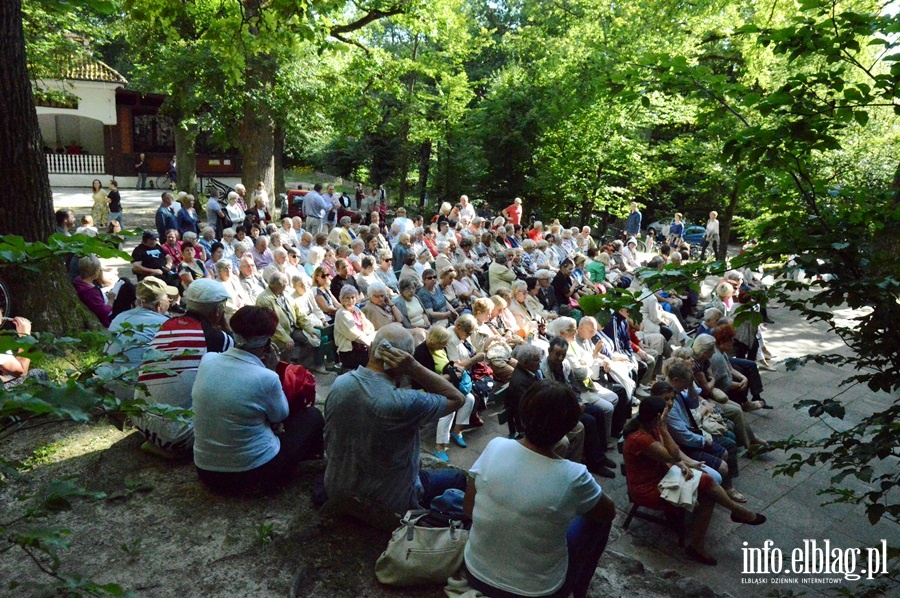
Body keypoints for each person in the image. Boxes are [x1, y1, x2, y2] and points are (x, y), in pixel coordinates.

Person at [463, 381, 616, 598]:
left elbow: (468, 510)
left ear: (523, 418)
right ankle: (579, 590)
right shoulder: (574, 475)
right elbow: (609, 512)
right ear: (571, 426)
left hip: (475, 571)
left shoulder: (496, 446)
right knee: (599, 518)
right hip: (535, 591)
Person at [323, 324, 467, 526]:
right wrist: (414, 368)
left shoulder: (340, 383)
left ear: (372, 346)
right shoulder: (403, 402)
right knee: (459, 479)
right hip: (388, 504)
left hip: (338, 488)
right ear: (405, 361)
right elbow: (457, 398)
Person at [623, 393, 767, 566]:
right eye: (665, 414)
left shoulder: (649, 427)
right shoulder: (641, 438)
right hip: (648, 489)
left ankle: (701, 543)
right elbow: (672, 454)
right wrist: (663, 429)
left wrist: (683, 465)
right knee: (706, 483)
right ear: (657, 418)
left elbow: (672, 453)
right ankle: (737, 512)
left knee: (707, 490)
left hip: (662, 475)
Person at [193, 306, 324, 494]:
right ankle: (313, 459)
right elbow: (280, 415)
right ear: (268, 343)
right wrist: (272, 369)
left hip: (206, 471)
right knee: (312, 415)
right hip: (254, 474)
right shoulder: (266, 377)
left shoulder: (208, 360)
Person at [134, 279, 234, 456]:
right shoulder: (217, 338)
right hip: (179, 434)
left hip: (140, 421)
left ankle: (157, 443)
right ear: (218, 309)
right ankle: (176, 449)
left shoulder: (167, 325)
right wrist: (227, 331)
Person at [412, 326, 475, 462]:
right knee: (449, 408)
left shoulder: (440, 348)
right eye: (444, 342)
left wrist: (454, 371)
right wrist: (450, 376)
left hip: (444, 383)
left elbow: (447, 364)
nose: (446, 345)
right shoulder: (421, 353)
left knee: (469, 398)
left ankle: (457, 431)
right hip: (428, 387)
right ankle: (439, 446)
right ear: (436, 341)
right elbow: (427, 379)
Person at [334, 286, 375, 370]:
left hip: (362, 346)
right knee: (375, 359)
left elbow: (370, 327)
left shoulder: (356, 309)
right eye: (347, 298)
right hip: (349, 352)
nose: (350, 301)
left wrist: (363, 320)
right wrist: (369, 339)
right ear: (342, 299)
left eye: (353, 297)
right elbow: (353, 334)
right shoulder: (341, 313)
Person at [72, 255, 113, 328]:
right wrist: (111, 300)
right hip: (103, 321)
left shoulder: (78, 281)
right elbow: (103, 312)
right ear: (95, 272)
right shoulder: (90, 291)